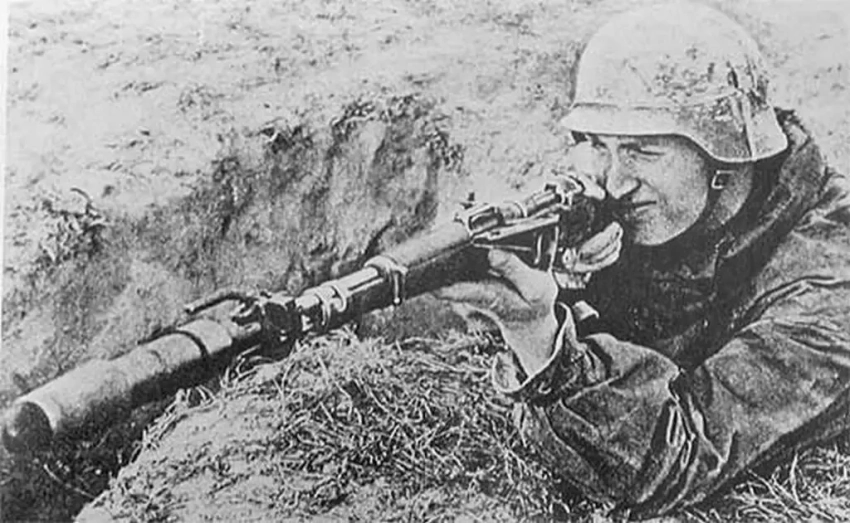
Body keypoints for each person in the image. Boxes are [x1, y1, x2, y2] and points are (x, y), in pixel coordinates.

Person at [437, 2, 850, 519]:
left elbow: (678, 456)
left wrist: (537, 334)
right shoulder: (680, 208)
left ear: (723, 153)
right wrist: (566, 282)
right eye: (597, 145)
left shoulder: (830, 286)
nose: (614, 182)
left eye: (644, 150)